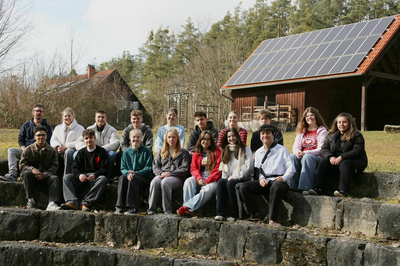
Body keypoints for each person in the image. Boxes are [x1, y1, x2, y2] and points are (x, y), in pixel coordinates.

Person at [239, 124, 295, 225]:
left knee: (276, 187)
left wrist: (284, 178)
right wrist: (260, 179)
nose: (265, 136)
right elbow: (258, 171)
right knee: (243, 187)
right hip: (265, 181)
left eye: (268, 133)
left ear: (272, 135)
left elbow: (291, 168)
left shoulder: (282, 150)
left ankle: (272, 219)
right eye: (263, 134)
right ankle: (254, 214)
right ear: (260, 136)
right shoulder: (259, 152)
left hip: (279, 181)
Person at [309, 112, 368, 198]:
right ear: (336, 124)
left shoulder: (357, 135)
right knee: (324, 162)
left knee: (345, 163)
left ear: (349, 123)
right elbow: (324, 149)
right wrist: (330, 157)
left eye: (344, 122)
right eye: (339, 122)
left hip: (354, 161)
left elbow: (357, 151)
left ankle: (343, 191)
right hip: (336, 161)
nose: (341, 124)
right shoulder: (331, 135)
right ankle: (317, 188)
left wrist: (342, 157)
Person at [0, 104, 52, 182]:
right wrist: (24, 148)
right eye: (37, 111)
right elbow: (20, 139)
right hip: (25, 151)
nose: (39, 113)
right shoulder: (26, 125)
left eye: (41, 111)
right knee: (11, 150)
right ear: (33, 112)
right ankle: (12, 174)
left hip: (39, 152)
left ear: (43, 113)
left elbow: (48, 141)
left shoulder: (47, 127)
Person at [60, 129, 109, 212]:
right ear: (83, 140)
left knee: (103, 179)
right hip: (83, 176)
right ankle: (72, 202)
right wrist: (79, 175)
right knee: (66, 177)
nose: (88, 140)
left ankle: (86, 203)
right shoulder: (81, 152)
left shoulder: (101, 152)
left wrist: (95, 175)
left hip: (95, 177)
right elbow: (75, 167)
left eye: (91, 138)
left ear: (95, 138)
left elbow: (105, 168)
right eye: (86, 138)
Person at [177, 130, 221, 217]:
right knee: (188, 182)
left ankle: (186, 207)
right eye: (203, 139)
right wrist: (199, 178)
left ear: (211, 141)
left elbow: (218, 169)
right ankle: (189, 210)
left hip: (213, 179)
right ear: (200, 140)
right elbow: (194, 168)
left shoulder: (217, 152)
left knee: (207, 189)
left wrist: (208, 180)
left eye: (208, 139)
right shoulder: (197, 153)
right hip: (200, 177)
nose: (206, 141)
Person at [215, 127, 253, 221]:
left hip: (244, 177)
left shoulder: (245, 149)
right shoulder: (226, 150)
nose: (231, 139)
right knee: (221, 182)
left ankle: (235, 214)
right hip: (230, 178)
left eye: (233, 136)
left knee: (230, 183)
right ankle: (220, 213)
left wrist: (236, 176)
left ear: (237, 136)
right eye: (229, 137)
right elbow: (224, 167)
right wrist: (225, 178)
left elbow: (248, 167)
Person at [148, 128, 189, 215]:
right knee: (154, 182)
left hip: (176, 177)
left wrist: (170, 174)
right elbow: (155, 166)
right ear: (166, 139)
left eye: (173, 137)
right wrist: (161, 173)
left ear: (177, 138)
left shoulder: (183, 153)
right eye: (169, 137)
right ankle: (152, 209)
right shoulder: (161, 152)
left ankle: (167, 210)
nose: (171, 139)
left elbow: (184, 169)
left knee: (165, 182)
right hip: (162, 175)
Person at [19, 125, 60, 210]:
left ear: (46, 136)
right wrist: (32, 169)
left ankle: (52, 203)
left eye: (43, 135)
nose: (41, 137)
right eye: (38, 135)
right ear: (34, 136)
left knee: (55, 178)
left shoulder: (52, 151)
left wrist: (44, 175)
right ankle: (30, 200)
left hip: (46, 175)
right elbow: (22, 165)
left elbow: (55, 166)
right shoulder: (28, 150)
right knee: (25, 174)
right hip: (32, 175)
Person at [289, 107, 328, 194]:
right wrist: (297, 152)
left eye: (312, 115)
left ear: (316, 117)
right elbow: (296, 147)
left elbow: (320, 149)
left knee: (307, 157)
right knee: (291, 157)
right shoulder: (302, 130)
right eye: (307, 116)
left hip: (317, 158)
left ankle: (305, 188)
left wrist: (304, 153)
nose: (309, 117)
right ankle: (291, 187)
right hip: (303, 156)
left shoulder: (322, 130)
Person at [115, 129, 153, 215]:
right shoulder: (126, 152)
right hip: (130, 175)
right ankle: (119, 206)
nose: (136, 139)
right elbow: (123, 168)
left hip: (144, 176)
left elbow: (148, 167)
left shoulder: (146, 151)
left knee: (133, 179)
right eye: (134, 137)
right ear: (130, 138)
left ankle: (133, 207)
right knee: (122, 178)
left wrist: (135, 173)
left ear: (141, 138)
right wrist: (128, 173)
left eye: (138, 137)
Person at [75, 110, 119, 180]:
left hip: (104, 153)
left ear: (106, 119)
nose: (100, 119)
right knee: (76, 154)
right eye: (98, 117)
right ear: (95, 118)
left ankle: (108, 177)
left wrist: (99, 149)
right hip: (91, 152)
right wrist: (88, 149)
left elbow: (116, 143)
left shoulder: (112, 130)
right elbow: (78, 141)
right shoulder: (90, 129)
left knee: (112, 154)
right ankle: (80, 176)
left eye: (102, 117)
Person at [116, 110, 153, 180]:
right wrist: (130, 151)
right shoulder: (126, 130)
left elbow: (149, 144)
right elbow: (123, 144)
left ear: (141, 119)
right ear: (131, 119)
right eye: (134, 119)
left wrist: (141, 151)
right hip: (130, 151)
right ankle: (120, 174)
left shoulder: (148, 131)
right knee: (119, 154)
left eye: (138, 119)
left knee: (150, 154)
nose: (136, 121)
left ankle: (144, 173)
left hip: (142, 152)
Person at [50, 108, 85, 176]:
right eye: (65, 116)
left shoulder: (80, 128)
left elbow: (79, 141)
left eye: (69, 116)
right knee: (52, 153)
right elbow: (54, 139)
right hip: (59, 149)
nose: (67, 117)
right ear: (63, 117)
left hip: (73, 149)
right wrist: (58, 147)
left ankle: (67, 176)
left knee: (68, 152)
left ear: (73, 116)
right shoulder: (58, 128)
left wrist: (66, 147)